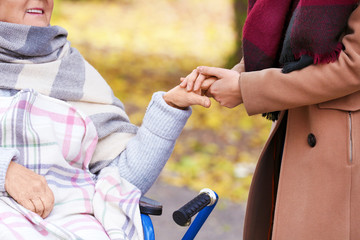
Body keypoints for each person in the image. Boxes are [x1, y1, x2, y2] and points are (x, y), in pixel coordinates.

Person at [0, 0, 211, 239]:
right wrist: (6, 172)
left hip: (71, 226)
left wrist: (170, 108)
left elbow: (123, 181)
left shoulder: (74, 73)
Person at [181, 0, 360, 239]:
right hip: (293, 129)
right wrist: (237, 74)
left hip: (338, 149)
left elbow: (353, 65)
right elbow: (287, 37)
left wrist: (246, 88)